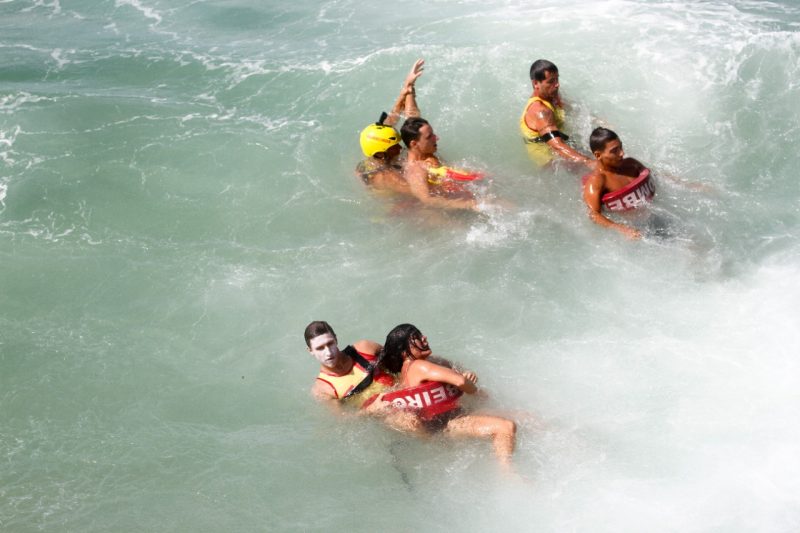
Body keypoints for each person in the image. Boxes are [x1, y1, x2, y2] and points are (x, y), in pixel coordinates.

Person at [378, 324, 517, 467]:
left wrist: (466, 375)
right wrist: (476, 392)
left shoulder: (410, 370)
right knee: (505, 427)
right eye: (416, 338)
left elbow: (460, 373)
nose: (424, 338)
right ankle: (507, 473)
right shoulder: (419, 366)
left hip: (446, 422)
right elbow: (461, 380)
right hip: (449, 425)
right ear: (404, 352)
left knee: (527, 419)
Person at [355, 59, 424, 194]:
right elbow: (422, 194)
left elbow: (391, 120)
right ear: (381, 154)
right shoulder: (386, 176)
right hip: (396, 209)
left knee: (413, 126)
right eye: (394, 147)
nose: (400, 147)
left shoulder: (376, 149)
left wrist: (406, 88)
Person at [582, 127, 654, 239]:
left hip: (652, 218)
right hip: (632, 228)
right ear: (598, 155)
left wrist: (683, 184)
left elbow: (653, 175)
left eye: (621, 146)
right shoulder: (598, 180)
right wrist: (621, 229)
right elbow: (593, 215)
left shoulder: (632, 164)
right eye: (614, 151)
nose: (622, 153)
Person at [520, 59, 593, 169]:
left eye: (557, 79)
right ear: (536, 83)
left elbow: (573, 108)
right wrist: (588, 162)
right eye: (551, 81)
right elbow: (557, 146)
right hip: (550, 158)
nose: (557, 84)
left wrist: (599, 121)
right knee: (590, 168)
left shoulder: (551, 95)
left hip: (561, 139)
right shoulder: (540, 111)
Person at [304, 320, 394, 407]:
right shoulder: (323, 389)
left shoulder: (364, 349)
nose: (328, 352)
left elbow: (400, 360)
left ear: (336, 339)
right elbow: (345, 419)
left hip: (402, 392)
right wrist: (370, 410)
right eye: (320, 348)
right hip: (384, 415)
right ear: (310, 351)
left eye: (330, 343)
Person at [400, 117, 483, 211]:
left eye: (433, 134)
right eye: (429, 137)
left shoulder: (426, 154)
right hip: (458, 206)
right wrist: (470, 204)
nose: (437, 138)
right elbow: (427, 199)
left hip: (464, 190)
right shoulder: (415, 169)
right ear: (414, 144)